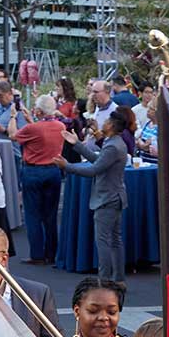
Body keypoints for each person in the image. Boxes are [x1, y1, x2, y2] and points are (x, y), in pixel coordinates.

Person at [61, 103, 136, 281]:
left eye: (107, 120)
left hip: (107, 198)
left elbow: (94, 169)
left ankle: (105, 280)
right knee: (115, 240)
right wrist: (77, 144)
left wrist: (67, 166)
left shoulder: (112, 145)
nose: (104, 122)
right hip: (115, 196)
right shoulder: (115, 143)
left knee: (103, 241)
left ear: (111, 125)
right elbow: (99, 160)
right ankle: (117, 278)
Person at [13, 92, 70, 262]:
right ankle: (52, 253)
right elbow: (41, 133)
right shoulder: (60, 127)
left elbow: (13, 135)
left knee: (33, 214)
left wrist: (12, 118)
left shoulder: (34, 128)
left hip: (33, 171)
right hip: (53, 170)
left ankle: (37, 254)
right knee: (50, 215)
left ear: (38, 111)